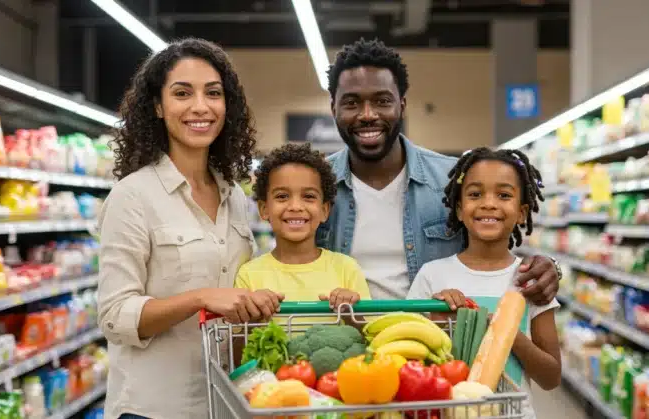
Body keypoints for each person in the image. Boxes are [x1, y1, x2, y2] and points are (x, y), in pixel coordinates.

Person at [96, 38, 282, 419]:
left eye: (213, 93)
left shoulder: (233, 196)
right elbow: (115, 315)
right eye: (183, 93)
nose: (200, 106)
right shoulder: (133, 196)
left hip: (224, 403)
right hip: (152, 408)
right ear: (158, 106)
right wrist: (201, 298)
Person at [317, 38, 562, 306]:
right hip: (342, 339)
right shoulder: (314, 185)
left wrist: (548, 267)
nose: (367, 114)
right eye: (351, 103)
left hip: (435, 339)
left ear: (402, 105)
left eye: (382, 101)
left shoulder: (453, 179)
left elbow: (495, 252)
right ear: (334, 109)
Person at [406, 147, 561, 417]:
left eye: (504, 195)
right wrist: (436, 321)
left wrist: (503, 330)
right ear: (459, 208)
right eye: (475, 194)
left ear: (522, 212)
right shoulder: (432, 275)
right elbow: (406, 362)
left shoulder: (530, 280)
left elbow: (551, 378)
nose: (489, 203)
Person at [234, 143, 371, 312]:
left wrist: (349, 313)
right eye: (282, 196)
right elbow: (238, 337)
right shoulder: (249, 275)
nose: (296, 206)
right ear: (264, 209)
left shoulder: (346, 269)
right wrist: (255, 314)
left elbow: (368, 333)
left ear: (324, 210)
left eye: (308, 196)